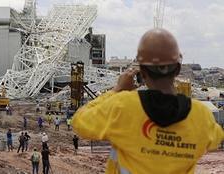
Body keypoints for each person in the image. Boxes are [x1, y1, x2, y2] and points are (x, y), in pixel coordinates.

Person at [72, 28, 224, 174]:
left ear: (142, 72)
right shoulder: (201, 116)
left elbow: (80, 122)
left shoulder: (122, 106)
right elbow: (215, 140)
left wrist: (117, 90)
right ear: (178, 70)